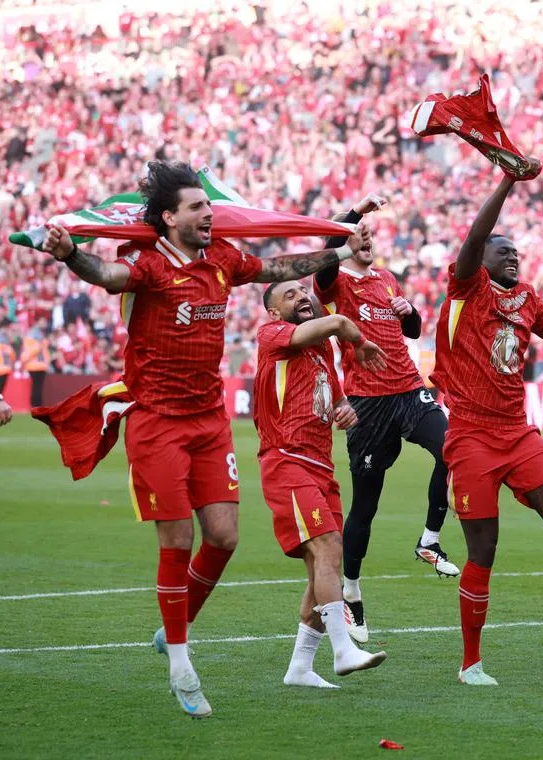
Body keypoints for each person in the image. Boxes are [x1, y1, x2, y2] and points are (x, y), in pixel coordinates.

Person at [39, 160, 372, 718]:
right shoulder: (146, 264)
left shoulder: (221, 260)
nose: (209, 214)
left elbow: (277, 267)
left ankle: (175, 628)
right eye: (197, 208)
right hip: (156, 422)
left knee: (222, 536)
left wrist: (341, 251)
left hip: (208, 419)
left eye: (209, 206)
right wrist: (71, 254)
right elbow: (107, 277)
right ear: (169, 218)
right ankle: (180, 664)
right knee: (176, 543)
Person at [432, 163, 543, 686]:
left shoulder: (528, 298)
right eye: (502, 250)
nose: (511, 255)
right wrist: (509, 182)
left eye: (516, 251)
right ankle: (470, 663)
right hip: (470, 436)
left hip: (517, 432)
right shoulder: (466, 289)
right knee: (483, 549)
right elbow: (473, 240)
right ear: (481, 259)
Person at [315, 193, 458, 646]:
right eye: (358, 236)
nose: (366, 241)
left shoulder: (386, 279)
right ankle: (352, 591)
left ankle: (429, 541)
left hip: (410, 392)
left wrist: (409, 312)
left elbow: (413, 330)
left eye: (369, 236)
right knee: (366, 506)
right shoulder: (333, 282)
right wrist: (354, 215)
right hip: (367, 403)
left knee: (453, 447)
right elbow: (325, 255)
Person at [254, 280, 389, 687]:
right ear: (274, 313)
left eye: (302, 291)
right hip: (286, 459)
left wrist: (344, 409)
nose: (301, 297)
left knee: (323, 564)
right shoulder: (273, 335)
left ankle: (300, 667)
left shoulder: (322, 352)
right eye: (289, 295)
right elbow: (338, 322)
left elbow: (335, 399)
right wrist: (355, 335)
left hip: (319, 464)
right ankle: (343, 649)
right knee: (329, 547)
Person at [21, 323, 51, 409]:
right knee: (37, 386)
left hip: (32, 366)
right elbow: (39, 351)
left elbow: (27, 352)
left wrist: (23, 362)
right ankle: (36, 405)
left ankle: (35, 404)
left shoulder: (29, 340)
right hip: (39, 366)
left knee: (36, 386)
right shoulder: (40, 341)